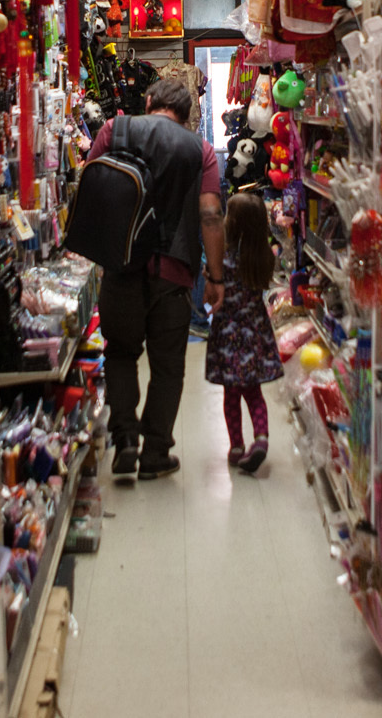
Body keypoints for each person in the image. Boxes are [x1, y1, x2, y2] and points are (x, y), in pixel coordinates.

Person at [84, 77, 223, 482]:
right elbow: (211, 214)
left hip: (121, 268)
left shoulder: (116, 130)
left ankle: (125, 441)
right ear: (187, 114)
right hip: (173, 273)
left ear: (148, 101)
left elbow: (91, 185)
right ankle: (156, 452)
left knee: (121, 354)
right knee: (168, 367)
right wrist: (216, 276)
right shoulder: (202, 151)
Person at [205, 189, 283, 474]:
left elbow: (210, 291)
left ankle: (236, 446)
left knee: (231, 395)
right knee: (254, 392)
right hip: (255, 332)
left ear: (232, 223)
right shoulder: (265, 258)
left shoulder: (222, 263)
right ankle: (260, 440)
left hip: (228, 333)